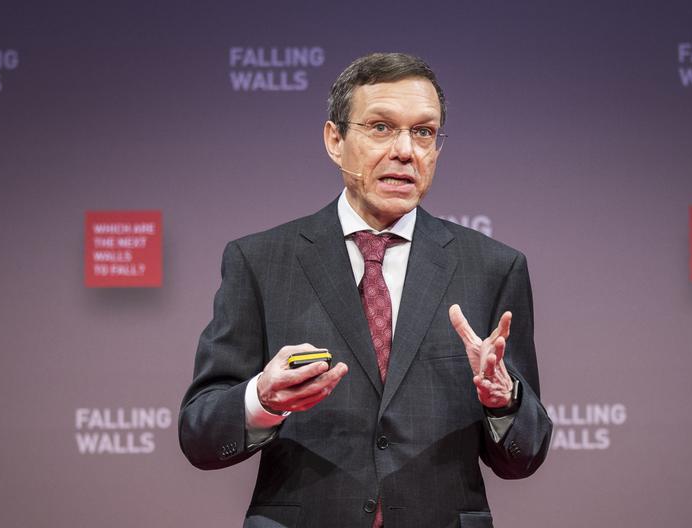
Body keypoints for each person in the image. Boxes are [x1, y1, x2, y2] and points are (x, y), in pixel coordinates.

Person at [180, 52, 552, 528]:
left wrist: (503, 400)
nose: (405, 151)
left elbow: (524, 456)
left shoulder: (493, 267)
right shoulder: (261, 261)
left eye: (423, 132)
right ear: (334, 140)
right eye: (380, 127)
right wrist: (262, 400)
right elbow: (199, 436)